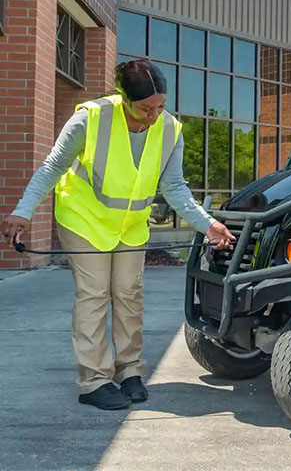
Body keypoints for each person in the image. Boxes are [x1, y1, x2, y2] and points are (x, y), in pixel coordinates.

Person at [0, 60, 235, 411]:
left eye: (160, 106)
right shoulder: (89, 119)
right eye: (145, 108)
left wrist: (207, 224)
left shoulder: (169, 129)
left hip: (129, 225)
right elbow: (52, 166)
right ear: (123, 98)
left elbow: (174, 187)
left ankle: (129, 372)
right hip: (84, 219)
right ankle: (94, 380)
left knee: (129, 295)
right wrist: (24, 210)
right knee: (94, 295)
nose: (154, 115)